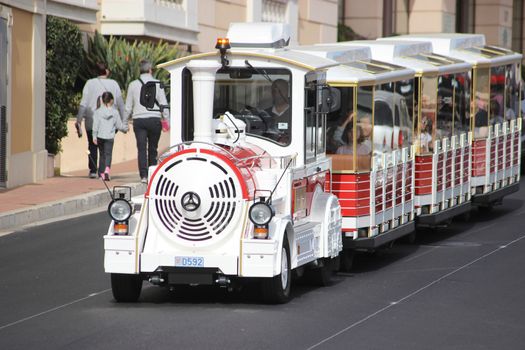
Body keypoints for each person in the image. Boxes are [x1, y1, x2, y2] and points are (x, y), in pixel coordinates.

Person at [76, 62, 125, 178]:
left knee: (92, 145)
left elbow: (83, 103)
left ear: (95, 72)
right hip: (109, 121)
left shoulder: (89, 83)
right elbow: (121, 104)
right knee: (105, 148)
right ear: (106, 71)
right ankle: (103, 171)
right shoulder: (114, 84)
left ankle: (93, 170)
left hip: (92, 119)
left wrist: (79, 120)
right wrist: (123, 120)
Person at [125, 59, 169, 183]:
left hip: (139, 120)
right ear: (150, 70)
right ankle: (152, 174)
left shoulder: (133, 85)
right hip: (154, 119)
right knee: (153, 148)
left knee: (141, 148)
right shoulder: (157, 83)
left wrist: (124, 123)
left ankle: (143, 176)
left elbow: (128, 106)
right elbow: (163, 103)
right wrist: (167, 120)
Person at [92, 92, 127, 181]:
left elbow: (95, 125)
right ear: (111, 100)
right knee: (108, 154)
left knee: (102, 155)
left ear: (103, 100)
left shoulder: (98, 112)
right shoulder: (115, 112)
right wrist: (125, 129)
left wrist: (94, 136)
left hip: (100, 136)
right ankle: (107, 170)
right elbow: (119, 125)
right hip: (110, 137)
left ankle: (101, 174)